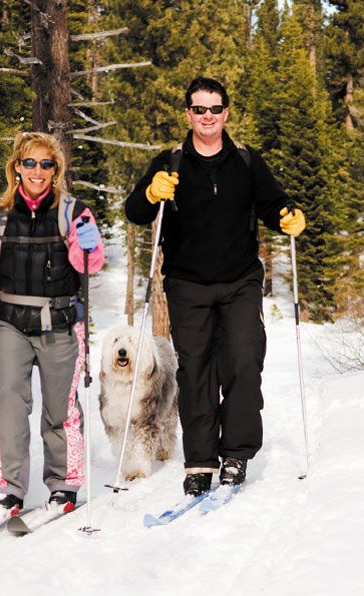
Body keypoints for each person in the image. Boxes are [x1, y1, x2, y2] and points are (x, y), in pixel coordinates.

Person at [125, 77, 306, 496]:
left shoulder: (245, 160)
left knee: (243, 359)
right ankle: (200, 461)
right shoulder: (170, 161)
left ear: (226, 113)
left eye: (214, 109)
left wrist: (287, 214)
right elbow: (135, 212)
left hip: (240, 280)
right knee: (195, 371)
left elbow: (272, 202)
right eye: (199, 109)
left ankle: (237, 454)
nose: (207, 116)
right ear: (188, 113)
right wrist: (151, 192)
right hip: (187, 284)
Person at [0, 131, 104, 516]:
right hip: (11, 321)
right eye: (30, 162)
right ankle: (8, 488)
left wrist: (88, 242)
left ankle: (63, 484)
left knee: (60, 408)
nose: (38, 171)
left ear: (55, 169)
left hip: (60, 320)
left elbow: (89, 265)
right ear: (16, 167)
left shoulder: (72, 211)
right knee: (10, 403)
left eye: (46, 164)